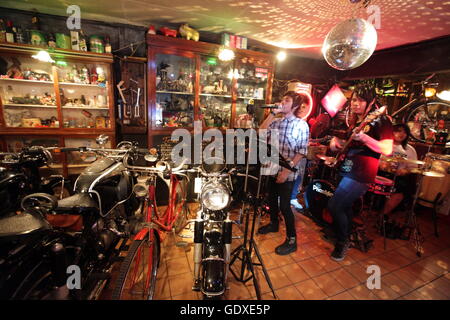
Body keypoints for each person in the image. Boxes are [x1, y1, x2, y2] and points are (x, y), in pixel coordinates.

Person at [326, 84, 393, 261]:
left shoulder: (382, 120)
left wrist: (364, 137)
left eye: (360, 100)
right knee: (345, 206)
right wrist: (336, 142)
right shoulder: (358, 120)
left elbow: (387, 149)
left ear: (371, 101)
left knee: (335, 205)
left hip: (363, 171)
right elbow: (346, 141)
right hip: (348, 166)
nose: (355, 103)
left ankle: (342, 242)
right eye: (353, 99)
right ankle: (345, 236)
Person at [257, 91, 309, 255]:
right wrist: (273, 113)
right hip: (272, 168)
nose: (282, 102)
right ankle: (273, 224)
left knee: (285, 206)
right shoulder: (277, 122)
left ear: (294, 106)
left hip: (288, 172)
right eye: (282, 99)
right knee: (271, 199)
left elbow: (301, 151)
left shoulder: (301, 125)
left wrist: (286, 172)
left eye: (286, 100)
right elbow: (261, 132)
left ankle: (292, 239)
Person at [379, 123, 418, 216]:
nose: (402, 134)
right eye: (398, 131)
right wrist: (380, 164)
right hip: (381, 173)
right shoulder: (384, 144)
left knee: (400, 192)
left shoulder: (410, 150)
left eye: (405, 132)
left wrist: (405, 171)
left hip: (398, 177)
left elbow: (413, 168)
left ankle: (382, 216)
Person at [291, 102, 309, 210]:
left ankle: (292, 197)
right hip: (289, 156)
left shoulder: (304, 123)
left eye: (304, 108)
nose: (302, 110)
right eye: (300, 107)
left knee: (298, 176)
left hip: (299, 156)